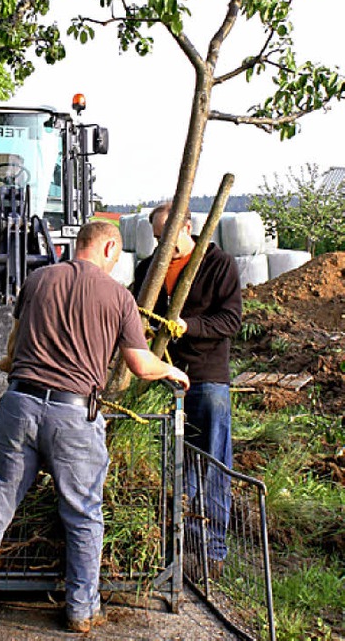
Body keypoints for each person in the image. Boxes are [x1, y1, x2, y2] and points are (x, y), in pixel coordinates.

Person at [0, 220, 189, 632]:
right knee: (83, 516)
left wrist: (16, 363)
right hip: (74, 416)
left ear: (77, 246)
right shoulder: (118, 296)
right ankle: (79, 612)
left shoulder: (39, 279)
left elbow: (13, 344)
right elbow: (139, 364)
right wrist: (173, 371)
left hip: (19, 405)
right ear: (110, 247)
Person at [132, 202, 242, 571]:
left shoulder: (217, 263)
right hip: (162, 375)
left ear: (189, 227)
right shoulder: (149, 268)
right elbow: (131, 309)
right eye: (157, 239)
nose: (163, 246)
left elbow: (230, 320)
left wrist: (188, 326)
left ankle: (211, 550)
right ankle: (174, 544)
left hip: (206, 375)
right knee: (171, 462)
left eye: (168, 238)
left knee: (211, 460)